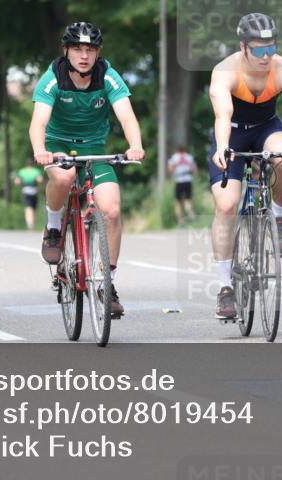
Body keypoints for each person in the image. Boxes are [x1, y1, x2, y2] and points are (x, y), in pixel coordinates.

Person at [208, 12, 282, 320]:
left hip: (266, 128)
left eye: (271, 48)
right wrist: (222, 148)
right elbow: (222, 115)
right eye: (258, 49)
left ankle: (279, 217)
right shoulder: (225, 71)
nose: (265, 56)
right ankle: (224, 288)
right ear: (243, 46)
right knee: (227, 204)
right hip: (231, 132)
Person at [30, 21, 145, 317]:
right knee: (65, 176)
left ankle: (108, 284)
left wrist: (135, 145)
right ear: (66, 51)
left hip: (95, 148)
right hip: (57, 145)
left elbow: (127, 116)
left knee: (112, 210)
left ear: (97, 53)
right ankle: (54, 226)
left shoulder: (108, 75)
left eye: (90, 49)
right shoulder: (52, 79)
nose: (84, 55)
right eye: (78, 49)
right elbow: (38, 123)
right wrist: (41, 150)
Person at [167, 145, 197, 226]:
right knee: (188, 200)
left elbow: (170, 169)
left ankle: (181, 221)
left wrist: (172, 175)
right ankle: (191, 215)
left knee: (178, 202)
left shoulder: (174, 157)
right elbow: (194, 169)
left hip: (179, 180)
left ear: (177, 150)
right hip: (188, 180)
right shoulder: (189, 157)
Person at [13, 163, 44, 230]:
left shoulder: (22, 171)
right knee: (33, 208)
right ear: (32, 165)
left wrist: (22, 184)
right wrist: (39, 187)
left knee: (28, 208)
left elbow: (17, 182)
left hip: (26, 190)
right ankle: (32, 223)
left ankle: (30, 224)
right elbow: (40, 180)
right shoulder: (36, 171)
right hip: (34, 190)